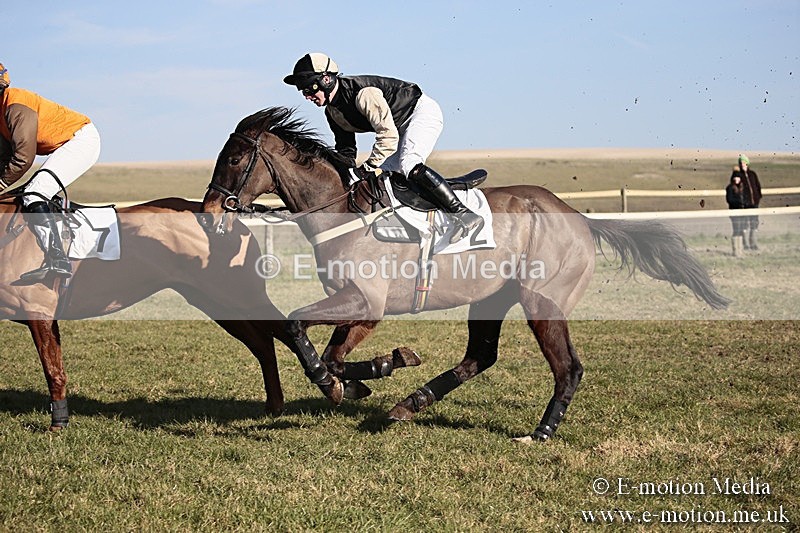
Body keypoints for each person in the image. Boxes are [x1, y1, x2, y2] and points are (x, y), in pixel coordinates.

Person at [283, 53, 482, 244]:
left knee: (409, 163)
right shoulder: (332, 111)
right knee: (384, 180)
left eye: (309, 89)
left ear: (326, 80)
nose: (307, 96)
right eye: (303, 92)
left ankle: (463, 213)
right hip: (398, 126)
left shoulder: (364, 94)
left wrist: (366, 168)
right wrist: (343, 173)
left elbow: (388, 136)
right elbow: (346, 150)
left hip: (420, 113)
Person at [0, 62, 101, 282]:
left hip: (81, 140)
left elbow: (23, 158)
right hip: (65, 144)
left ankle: (58, 259)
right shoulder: (1, 113)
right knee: (20, 195)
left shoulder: (15, 104)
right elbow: (5, 159)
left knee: (34, 194)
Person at [729, 154, 762, 250]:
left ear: (747, 163)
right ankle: (745, 244)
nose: (742, 164)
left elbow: (757, 186)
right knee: (744, 225)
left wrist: (758, 197)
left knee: (754, 223)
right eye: (741, 163)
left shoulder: (752, 174)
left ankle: (753, 243)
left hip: (754, 203)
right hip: (745, 204)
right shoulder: (739, 175)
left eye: (744, 162)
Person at [725, 173, 746, 257]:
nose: (737, 179)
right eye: (735, 177)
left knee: (741, 230)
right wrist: (740, 202)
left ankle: (740, 249)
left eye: (738, 177)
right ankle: (736, 250)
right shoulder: (730, 188)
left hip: (742, 213)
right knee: (736, 230)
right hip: (734, 212)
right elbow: (730, 200)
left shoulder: (743, 188)